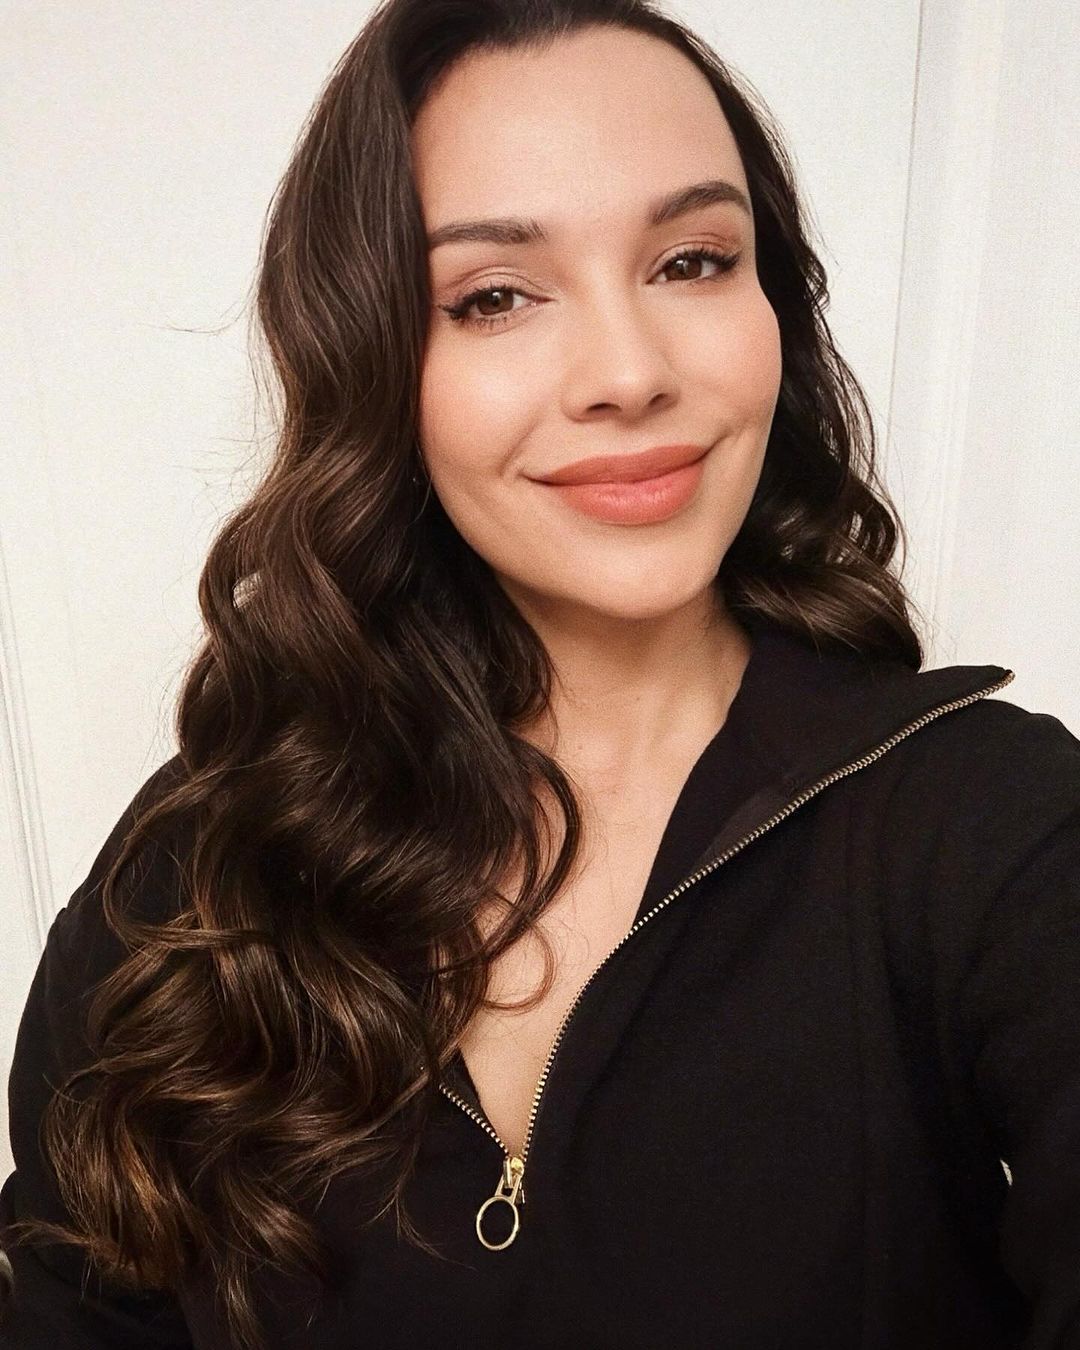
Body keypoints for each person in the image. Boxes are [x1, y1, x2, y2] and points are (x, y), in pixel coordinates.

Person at [2, 0, 1078, 1346]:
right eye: (495, 296)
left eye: (692, 261)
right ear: (374, 360)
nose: (628, 373)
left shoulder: (995, 827)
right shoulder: (196, 875)